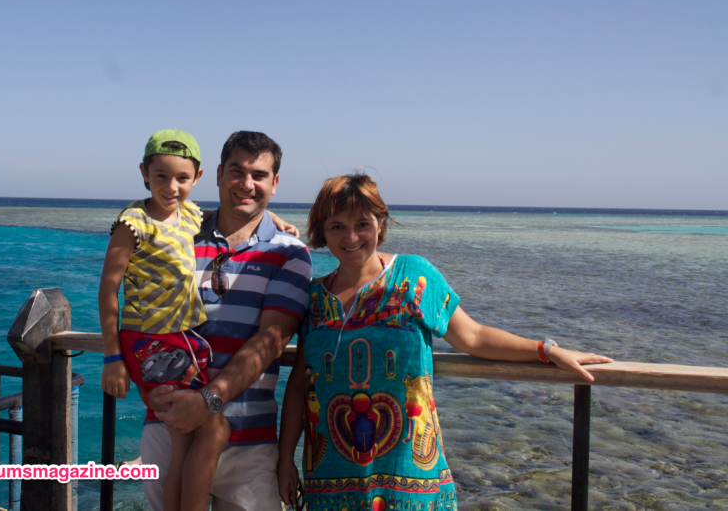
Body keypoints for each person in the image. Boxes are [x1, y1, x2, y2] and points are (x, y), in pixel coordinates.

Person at [277, 174, 613, 511]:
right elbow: (298, 386)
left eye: (362, 224)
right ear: (322, 230)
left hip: (410, 475)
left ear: (380, 224)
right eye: (337, 226)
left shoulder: (413, 277)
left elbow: (474, 337)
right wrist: (285, 459)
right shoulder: (314, 298)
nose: (351, 237)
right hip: (329, 478)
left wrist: (546, 350)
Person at [143, 131, 313, 511]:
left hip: (249, 440)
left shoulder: (290, 252)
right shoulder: (176, 233)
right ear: (218, 174)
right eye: (237, 171)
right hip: (168, 426)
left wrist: (208, 400)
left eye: (259, 175)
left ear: (275, 183)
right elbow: (142, 312)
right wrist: (145, 384)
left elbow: (272, 338)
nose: (247, 184)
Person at [99, 129, 228, 511]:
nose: (171, 187)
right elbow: (108, 290)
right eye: (161, 176)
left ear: (198, 178)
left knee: (196, 437)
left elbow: (230, 215)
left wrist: (274, 219)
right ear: (144, 172)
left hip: (178, 340)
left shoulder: (188, 214)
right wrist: (112, 359)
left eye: (182, 178)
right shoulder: (134, 221)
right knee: (204, 432)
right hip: (150, 341)